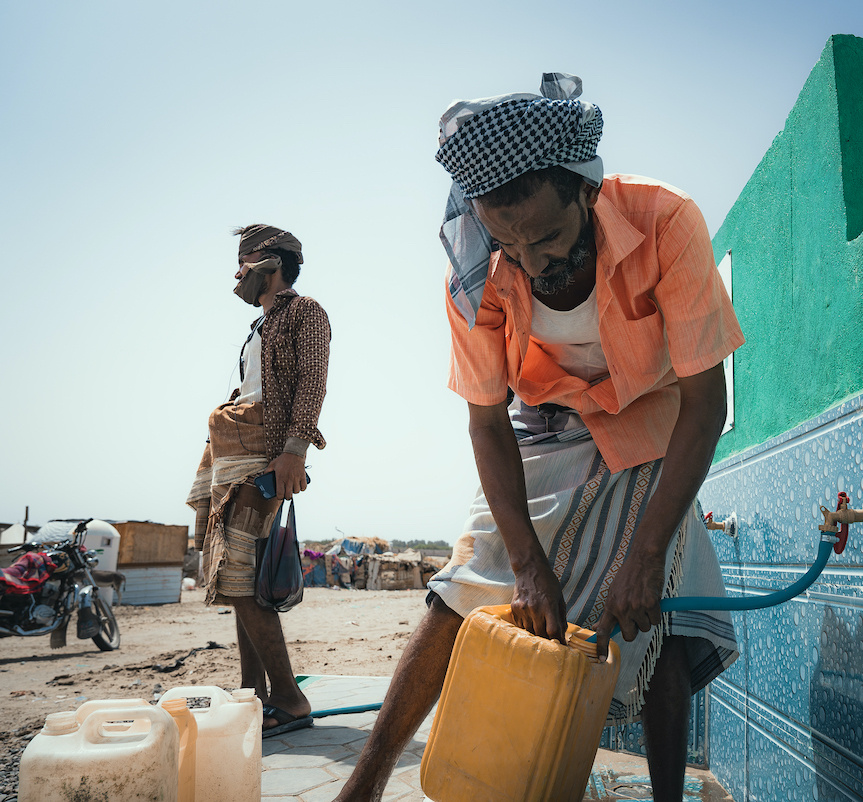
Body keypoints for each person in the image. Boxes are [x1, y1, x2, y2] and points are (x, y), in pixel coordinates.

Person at [334, 73, 743, 802]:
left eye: (548, 237)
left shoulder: (665, 220)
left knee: (664, 617)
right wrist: (527, 564)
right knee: (466, 583)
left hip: (657, 420)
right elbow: (486, 419)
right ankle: (359, 790)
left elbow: (706, 402)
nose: (530, 262)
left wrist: (646, 552)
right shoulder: (477, 273)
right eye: (509, 242)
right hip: (543, 425)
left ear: (586, 192)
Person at [185, 224, 331, 738]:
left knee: (242, 577)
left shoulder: (304, 312)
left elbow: (312, 384)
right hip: (230, 452)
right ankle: (254, 695)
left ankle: (289, 701)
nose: (236, 273)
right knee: (235, 580)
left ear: (270, 265)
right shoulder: (261, 325)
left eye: (243, 262)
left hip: (262, 455)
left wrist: (293, 452)